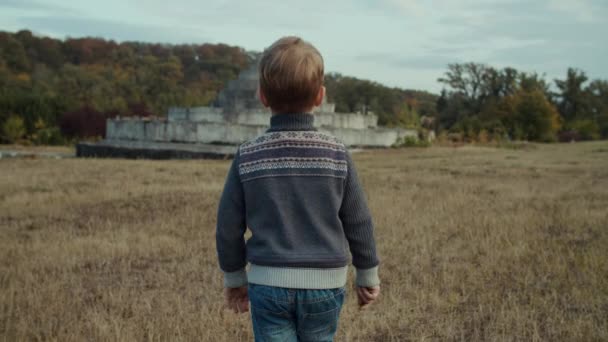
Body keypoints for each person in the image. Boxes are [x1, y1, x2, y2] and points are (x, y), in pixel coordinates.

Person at [216, 36, 380, 341]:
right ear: (320, 96)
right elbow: (358, 220)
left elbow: (228, 225)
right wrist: (367, 272)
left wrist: (235, 277)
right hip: (325, 285)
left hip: (267, 283)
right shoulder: (336, 153)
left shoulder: (248, 155)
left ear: (262, 96)